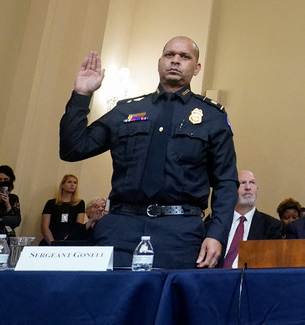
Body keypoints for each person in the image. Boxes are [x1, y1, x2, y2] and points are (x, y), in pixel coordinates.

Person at [59, 36, 238, 268]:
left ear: (196, 68)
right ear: (159, 62)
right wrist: (82, 96)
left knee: (172, 302)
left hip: (180, 233)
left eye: (185, 57)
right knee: (112, 300)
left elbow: (226, 181)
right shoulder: (127, 110)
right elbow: (73, 148)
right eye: (169, 55)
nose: (175, 61)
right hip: (121, 228)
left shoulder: (212, 116)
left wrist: (216, 234)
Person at [219, 170, 283, 269]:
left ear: (257, 189)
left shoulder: (272, 226)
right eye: (242, 183)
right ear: (232, 189)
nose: (248, 187)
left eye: (252, 183)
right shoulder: (216, 224)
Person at [40, 174, 85, 244]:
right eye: (69, 182)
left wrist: (68, 239)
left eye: (75, 183)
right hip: (51, 239)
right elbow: (44, 227)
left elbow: (78, 226)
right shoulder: (51, 203)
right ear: (62, 185)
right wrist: (53, 243)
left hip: (69, 240)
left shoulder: (79, 203)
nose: (72, 184)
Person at [0, 165, 22, 239]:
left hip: (7, 237)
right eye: (0, 179)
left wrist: (8, 204)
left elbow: (16, 221)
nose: (2, 182)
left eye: (6, 179)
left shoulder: (13, 198)